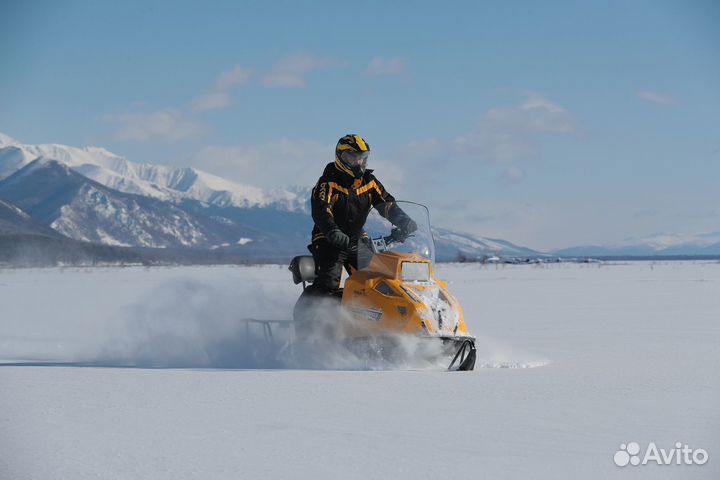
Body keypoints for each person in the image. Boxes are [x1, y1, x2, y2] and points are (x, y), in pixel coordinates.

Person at [303, 134, 417, 298]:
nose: (359, 162)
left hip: (356, 239)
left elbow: (387, 204)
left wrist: (403, 221)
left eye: (362, 158)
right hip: (328, 238)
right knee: (329, 282)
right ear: (341, 157)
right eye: (353, 157)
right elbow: (321, 211)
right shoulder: (328, 183)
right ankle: (311, 315)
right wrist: (332, 231)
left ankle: (367, 318)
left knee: (374, 281)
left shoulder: (369, 182)